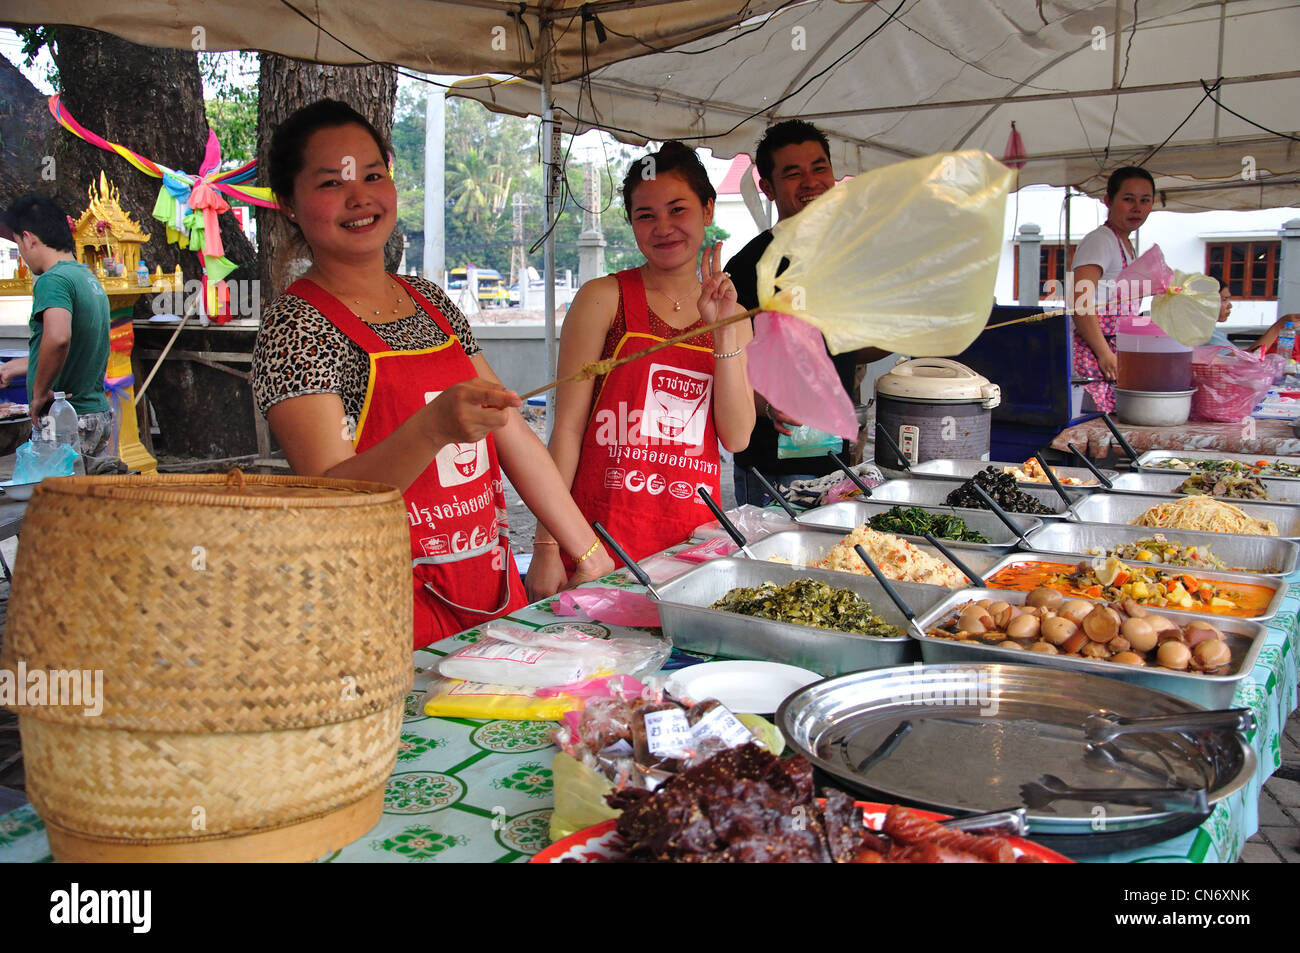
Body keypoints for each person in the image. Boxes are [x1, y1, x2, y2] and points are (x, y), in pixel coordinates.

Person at [251, 99, 612, 649]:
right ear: (289, 205)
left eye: (374, 174)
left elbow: (510, 430)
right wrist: (431, 428)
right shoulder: (295, 326)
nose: (360, 197)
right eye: (332, 183)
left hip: (489, 596)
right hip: (384, 616)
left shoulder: (431, 302)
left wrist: (587, 553)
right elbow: (330, 500)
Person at [524, 142, 754, 600]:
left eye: (677, 209)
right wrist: (548, 545)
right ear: (630, 223)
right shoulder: (601, 298)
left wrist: (723, 331)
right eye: (645, 215)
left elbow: (738, 437)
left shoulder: (734, 315)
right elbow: (566, 430)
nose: (663, 227)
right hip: (595, 541)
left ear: (707, 210)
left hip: (688, 547)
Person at [724, 120, 885, 505]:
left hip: (839, 461)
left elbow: (849, 349)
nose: (811, 182)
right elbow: (724, 359)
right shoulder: (748, 267)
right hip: (772, 467)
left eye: (819, 168)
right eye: (793, 173)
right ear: (768, 187)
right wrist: (764, 404)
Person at [0, 194, 113, 456]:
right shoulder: (86, 278)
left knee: (55, 496)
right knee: (85, 497)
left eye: (18, 244)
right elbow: (74, 345)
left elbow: (59, 337)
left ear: (28, 238)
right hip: (96, 414)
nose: (24, 258)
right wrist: (15, 368)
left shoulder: (53, 280)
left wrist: (38, 394)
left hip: (66, 421)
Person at [1070, 166, 1156, 412]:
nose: (1137, 208)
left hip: (1114, 352)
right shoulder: (1101, 241)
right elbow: (1080, 302)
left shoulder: (1125, 244)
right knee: (1096, 431)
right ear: (1108, 201)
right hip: (1093, 354)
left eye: (1145, 200)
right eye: (1128, 199)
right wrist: (1104, 354)